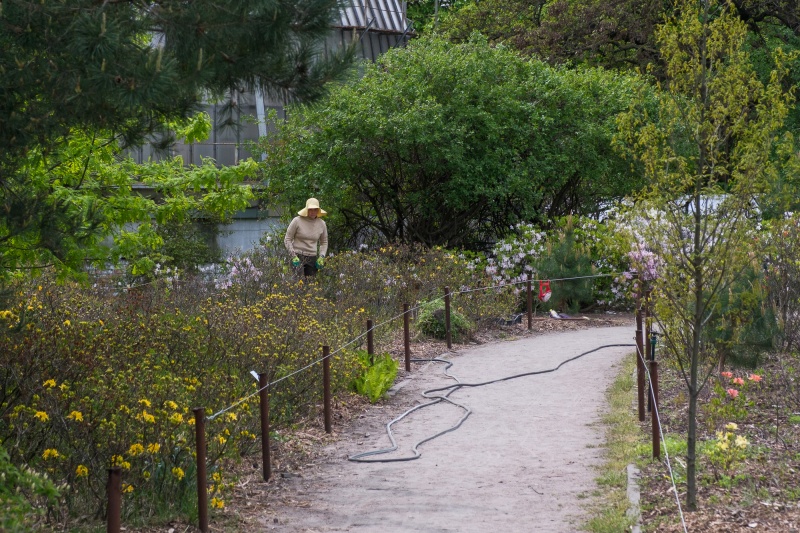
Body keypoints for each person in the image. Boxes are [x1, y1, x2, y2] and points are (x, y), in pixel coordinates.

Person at [284, 198, 328, 277]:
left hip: (312, 257)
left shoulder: (322, 224)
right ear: (307, 210)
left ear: (318, 211)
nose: (313, 212)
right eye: (310, 209)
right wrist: (293, 255)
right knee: (298, 283)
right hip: (297, 255)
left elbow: (324, 242)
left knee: (310, 285)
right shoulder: (297, 221)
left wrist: (321, 256)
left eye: (315, 210)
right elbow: (287, 239)